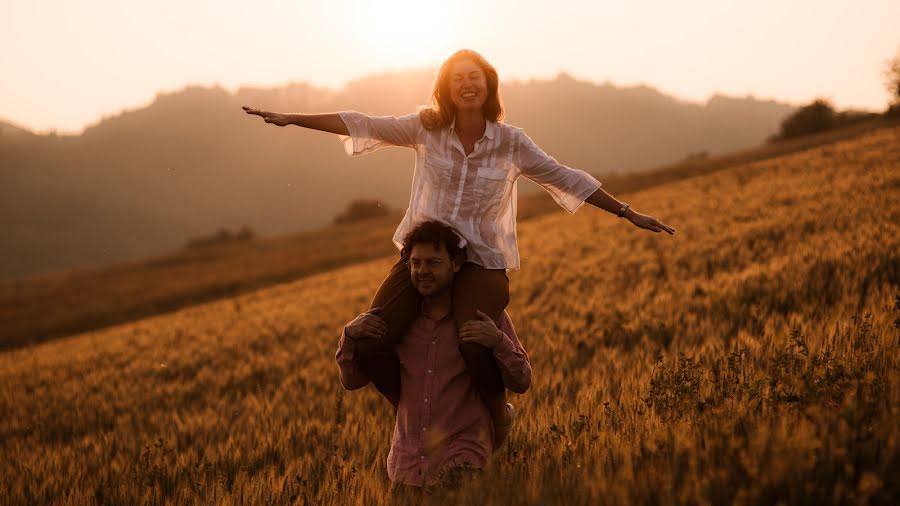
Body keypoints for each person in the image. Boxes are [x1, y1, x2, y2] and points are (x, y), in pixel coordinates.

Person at [243, 48, 675, 448]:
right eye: (457, 79)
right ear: (446, 89)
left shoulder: (511, 142)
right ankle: (411, 416)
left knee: (473, 341)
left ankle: (496, 417)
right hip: (425, 258)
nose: (467, 84)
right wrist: (292, 117)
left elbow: (565, 177)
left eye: (475, 77)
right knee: (372, 338)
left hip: (481, 263)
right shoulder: (426, 128)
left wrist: (625, 211)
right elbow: (363, 122)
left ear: (488, 85)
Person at [335, 220, 532, 487]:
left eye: (433, 263)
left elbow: (522, 381)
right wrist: (348, 336)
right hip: (405, 468)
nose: (422, 271)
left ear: (455, 264)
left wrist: (498, 341)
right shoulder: (398, 324)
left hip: (464, 463)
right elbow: (351, 382)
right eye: (416, 263)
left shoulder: (481, 316)